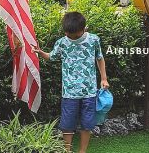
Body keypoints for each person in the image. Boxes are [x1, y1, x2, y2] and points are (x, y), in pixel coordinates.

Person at [33, 11, 109, 153]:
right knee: (67, 124)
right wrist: (40, 52)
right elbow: (52, 56)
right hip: (69, 92)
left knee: (87, 124)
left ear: (84, 29)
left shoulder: (93, 40)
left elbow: (99, 58)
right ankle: (67, 150)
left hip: (89, 92)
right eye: (69, 35)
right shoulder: (62, 42)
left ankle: (82, 151)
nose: (72, 38)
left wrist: (104, 78)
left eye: (75, 35)